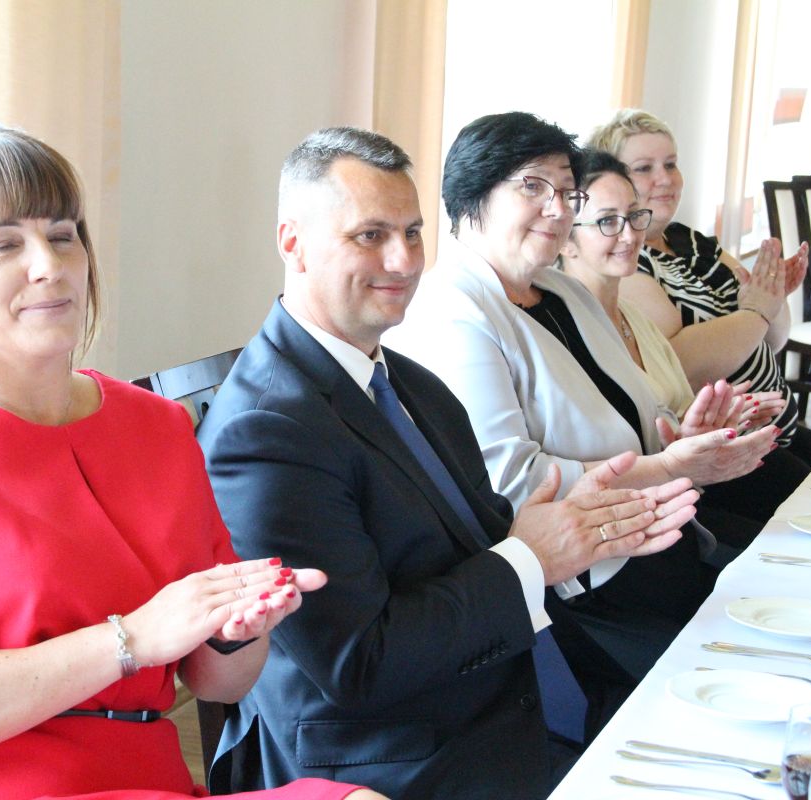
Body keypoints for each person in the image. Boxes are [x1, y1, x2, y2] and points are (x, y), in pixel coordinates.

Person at [0, 120, 383, 800]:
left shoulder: (156, 425)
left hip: (146, 780)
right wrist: (130, 638)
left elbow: (218, 681)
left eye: (62, 235)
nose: (48, 265)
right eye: (3, 244)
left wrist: (236, 630)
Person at [197, 126, 699, 800]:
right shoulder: (265, 431)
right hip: (388, 762)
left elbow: (484, 542)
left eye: (413, 232)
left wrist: (573, 529)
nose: (404, 260)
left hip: (504, 693)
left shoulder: (412, 383)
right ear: (293, 243)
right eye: (370, 235)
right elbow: (359, 662)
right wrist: (532, 557)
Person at [386, 112, 778, 679]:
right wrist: (670, 466)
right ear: (472, 195)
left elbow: (638, 414)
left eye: (567, 193)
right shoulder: (451, 311)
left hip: (660, 531)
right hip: (585, 584)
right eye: (533, 187)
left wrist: (684, 437)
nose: (557, 209)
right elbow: (512, 485)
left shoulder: (563, 291)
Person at [589, 109, 811, 495]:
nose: (664, 178)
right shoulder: (626, 262)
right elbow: (680, 362)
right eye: (645, 168)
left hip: (775, 428)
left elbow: (772, 339)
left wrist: (774, 297)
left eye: (670, 164)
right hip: (724, 449)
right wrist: (757, 309)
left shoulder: (691, 241)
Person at [559, 149, 794, 536]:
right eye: (607, 222)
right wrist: (684, 446)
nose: (630, 234)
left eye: (634, 216)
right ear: (565, 239)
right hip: (641, 512)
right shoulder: (565, 331)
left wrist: (720, 420)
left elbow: (676, 413)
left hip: (690, 484)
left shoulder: (634, 319)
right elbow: (607, 453)